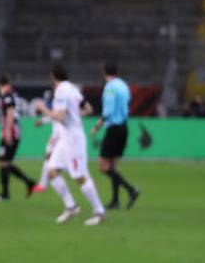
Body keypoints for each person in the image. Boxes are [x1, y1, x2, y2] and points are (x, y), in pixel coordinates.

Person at [40, 63, 106, 226]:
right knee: (52, 171)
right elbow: (88, 109)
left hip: (73, 139)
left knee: (79, 176)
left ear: (53, 77)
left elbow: (60, 117)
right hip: (66, 137)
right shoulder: (73, 89)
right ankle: (71, 207)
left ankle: (99, 211)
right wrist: (75, 116)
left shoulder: (61, 91)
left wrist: (44, 110)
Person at [91, 62, 140, 209]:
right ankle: (115, 201)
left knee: (102, 165)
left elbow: (108, 111)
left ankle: (130, 189)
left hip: (113, 128)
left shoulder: (110, 88)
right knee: (113, 166)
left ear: (104, 72)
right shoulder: (124, 86)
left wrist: (96, 127)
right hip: (124, 127)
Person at [0, 75, 36, 202]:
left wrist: (7, 133)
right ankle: (28, 182)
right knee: (4, 162)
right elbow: (6, 115)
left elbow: (10, 115)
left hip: (11, 131)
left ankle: (6, 193)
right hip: (11, 130)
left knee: (3, 161)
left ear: (1, 85)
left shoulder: (7, 96)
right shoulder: (12, 95)